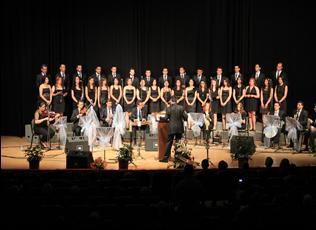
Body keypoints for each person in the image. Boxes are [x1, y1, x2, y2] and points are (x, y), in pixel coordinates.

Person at [160, 97, 188, 162]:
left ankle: (165, 158)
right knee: (178, 143)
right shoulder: (181, 108)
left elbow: (166, 118)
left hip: (171, 128)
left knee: (169, 143)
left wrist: (160, 118)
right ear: (176, 101)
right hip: (179, 128)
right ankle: (177, 158)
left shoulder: (169, 108)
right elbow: (186, 117)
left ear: (171, 101)